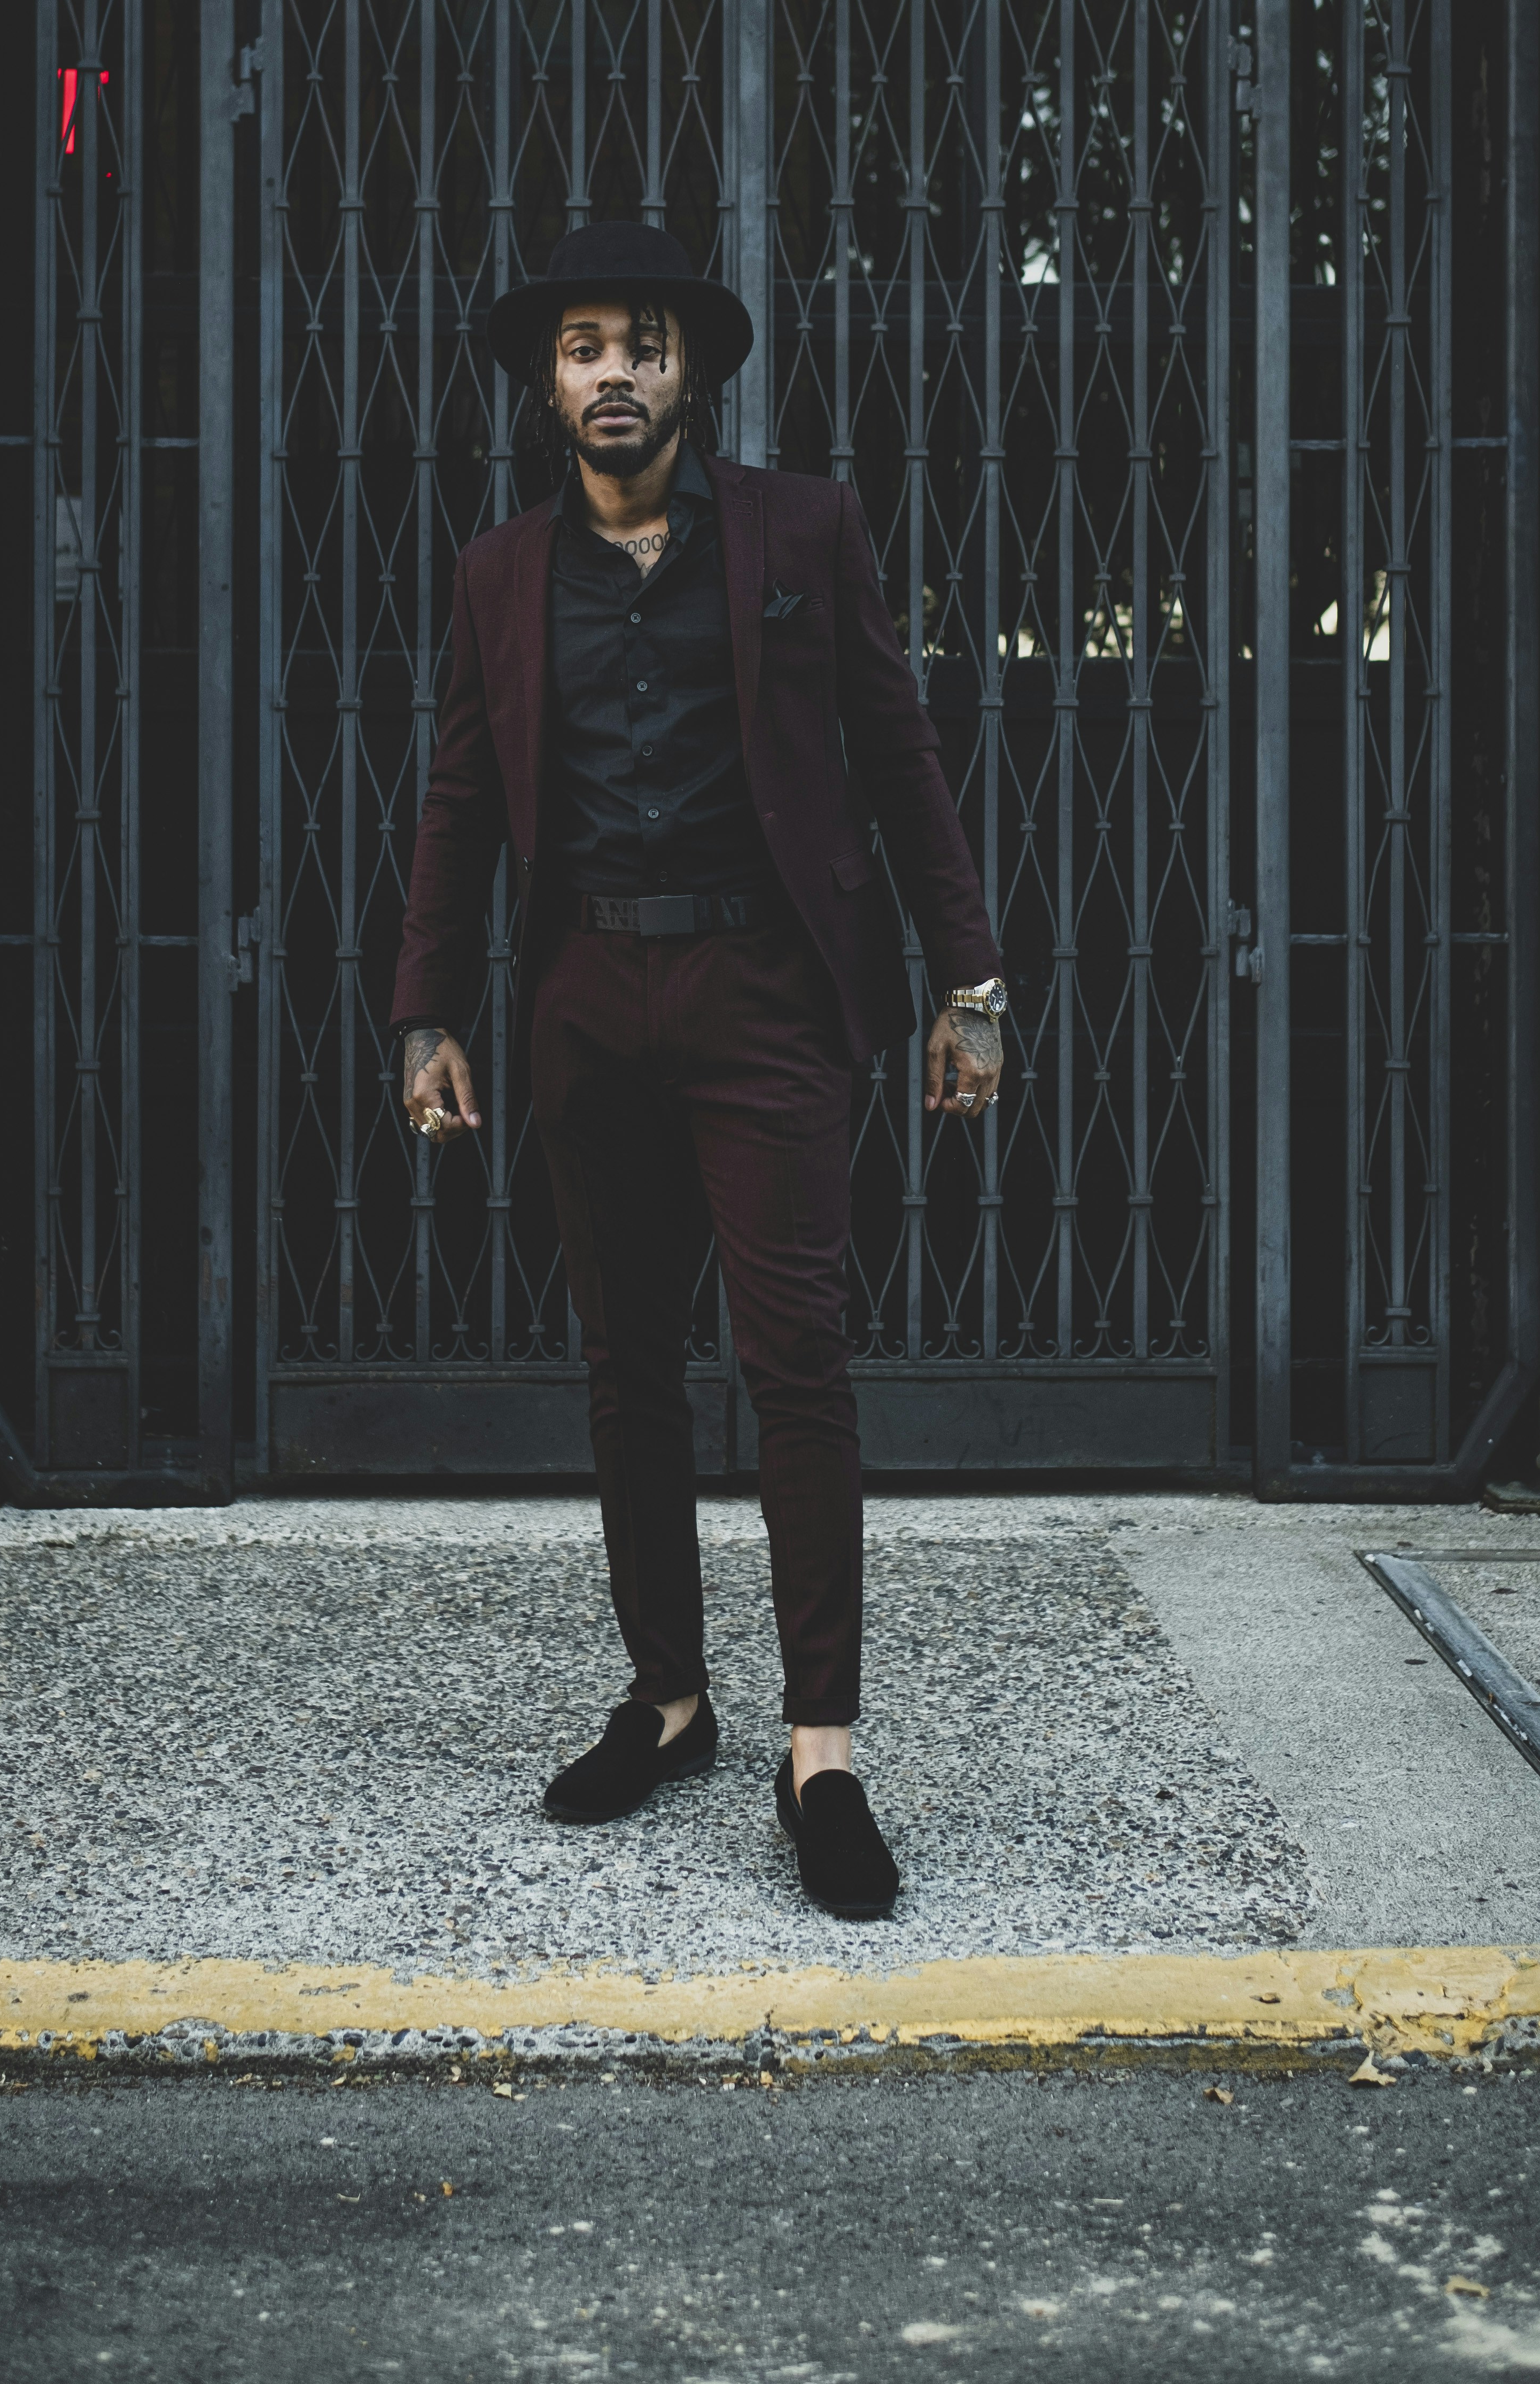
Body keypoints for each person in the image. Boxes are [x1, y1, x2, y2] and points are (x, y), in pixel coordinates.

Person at [390, 226, 1005, 1920]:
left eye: (645, 346)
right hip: (587, 990)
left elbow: (900, 751)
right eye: (585, 346)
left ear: (691, 377)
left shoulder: (801, 530)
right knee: (625, 1362)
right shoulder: (500, 572)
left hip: (765, 989)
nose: (615, 374)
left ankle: (823, 1751)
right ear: (548, 383)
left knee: (795, 1356)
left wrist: (975, 982)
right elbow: (456, 801)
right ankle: (669, 1702)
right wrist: (425, 1011)